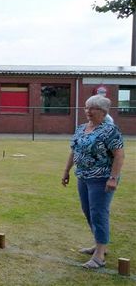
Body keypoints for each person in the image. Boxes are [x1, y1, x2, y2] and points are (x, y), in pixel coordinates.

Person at [62, 94, 124, 269]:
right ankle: (99, 245)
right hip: (83, 176)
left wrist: (113, 178)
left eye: (93, 108)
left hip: (102, 178)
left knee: (98, 213)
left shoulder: (110, 130)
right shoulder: (81, 128)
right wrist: (66, 171)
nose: (88, 111)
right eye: (86, 107)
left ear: (103, 112)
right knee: (88, 212)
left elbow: (119, 155)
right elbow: (74, 151)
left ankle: (100, 256)